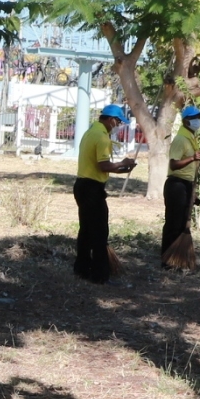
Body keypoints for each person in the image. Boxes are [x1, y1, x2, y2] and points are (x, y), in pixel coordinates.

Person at [72, 105, 137, 283]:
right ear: (110, 119)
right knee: (100, 232)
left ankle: (82, 269)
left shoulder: (90, 132)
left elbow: (99, 166)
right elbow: (104, 165)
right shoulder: (102, 137)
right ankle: (100, 275)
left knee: (86, 230)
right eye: (117, 121)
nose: (116, 125)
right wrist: (122, 163)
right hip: (92, 188)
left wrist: (121, 169)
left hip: (82, 185)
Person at [162, 105, 200, 259]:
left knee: (181, 224)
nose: (198, 121)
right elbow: (174, 164)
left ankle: (178, 257)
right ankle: (167, 258)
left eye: (199, 118)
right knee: (173, 224)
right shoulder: (180, 139)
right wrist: (192, 158)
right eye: (195, 118)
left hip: (186, 184)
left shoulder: (190, 139)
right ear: (186, 121)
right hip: (176, 185)